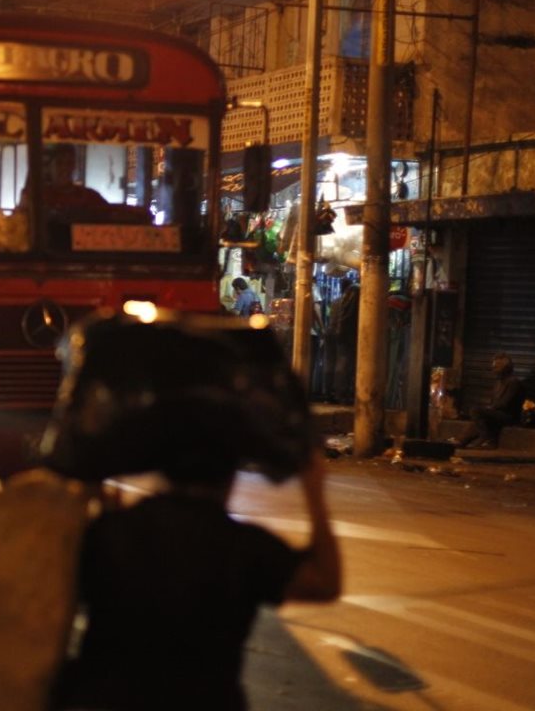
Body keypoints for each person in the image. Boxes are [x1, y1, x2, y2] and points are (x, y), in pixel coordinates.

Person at [43, 313, 341, 711]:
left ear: (162, 463)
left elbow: (48, 587)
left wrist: (93, 483)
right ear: (231, 474)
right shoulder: (241, 550)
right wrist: (315, 493)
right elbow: (324, 582)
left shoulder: (111, 535)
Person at [458, 352, 526, 449]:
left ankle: (487, 438)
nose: (493, 370)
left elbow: (505, 404)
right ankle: (461, 442)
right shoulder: (498, 383)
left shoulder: (514, 383)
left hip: (509, 417)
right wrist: (489, 410)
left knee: (476, 411)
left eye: (497, 367)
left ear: (506, 368)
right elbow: (494, 403)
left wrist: (489, 409)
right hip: (498, 413)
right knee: (478, 420)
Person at [325, 277, 359, 403]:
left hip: (329, 332)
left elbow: (330, 316)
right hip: (341, 334)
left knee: (329, 362)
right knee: (342, 362)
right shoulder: (351, 301)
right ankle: (340, 393)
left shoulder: (334, 301)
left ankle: (328, 392)